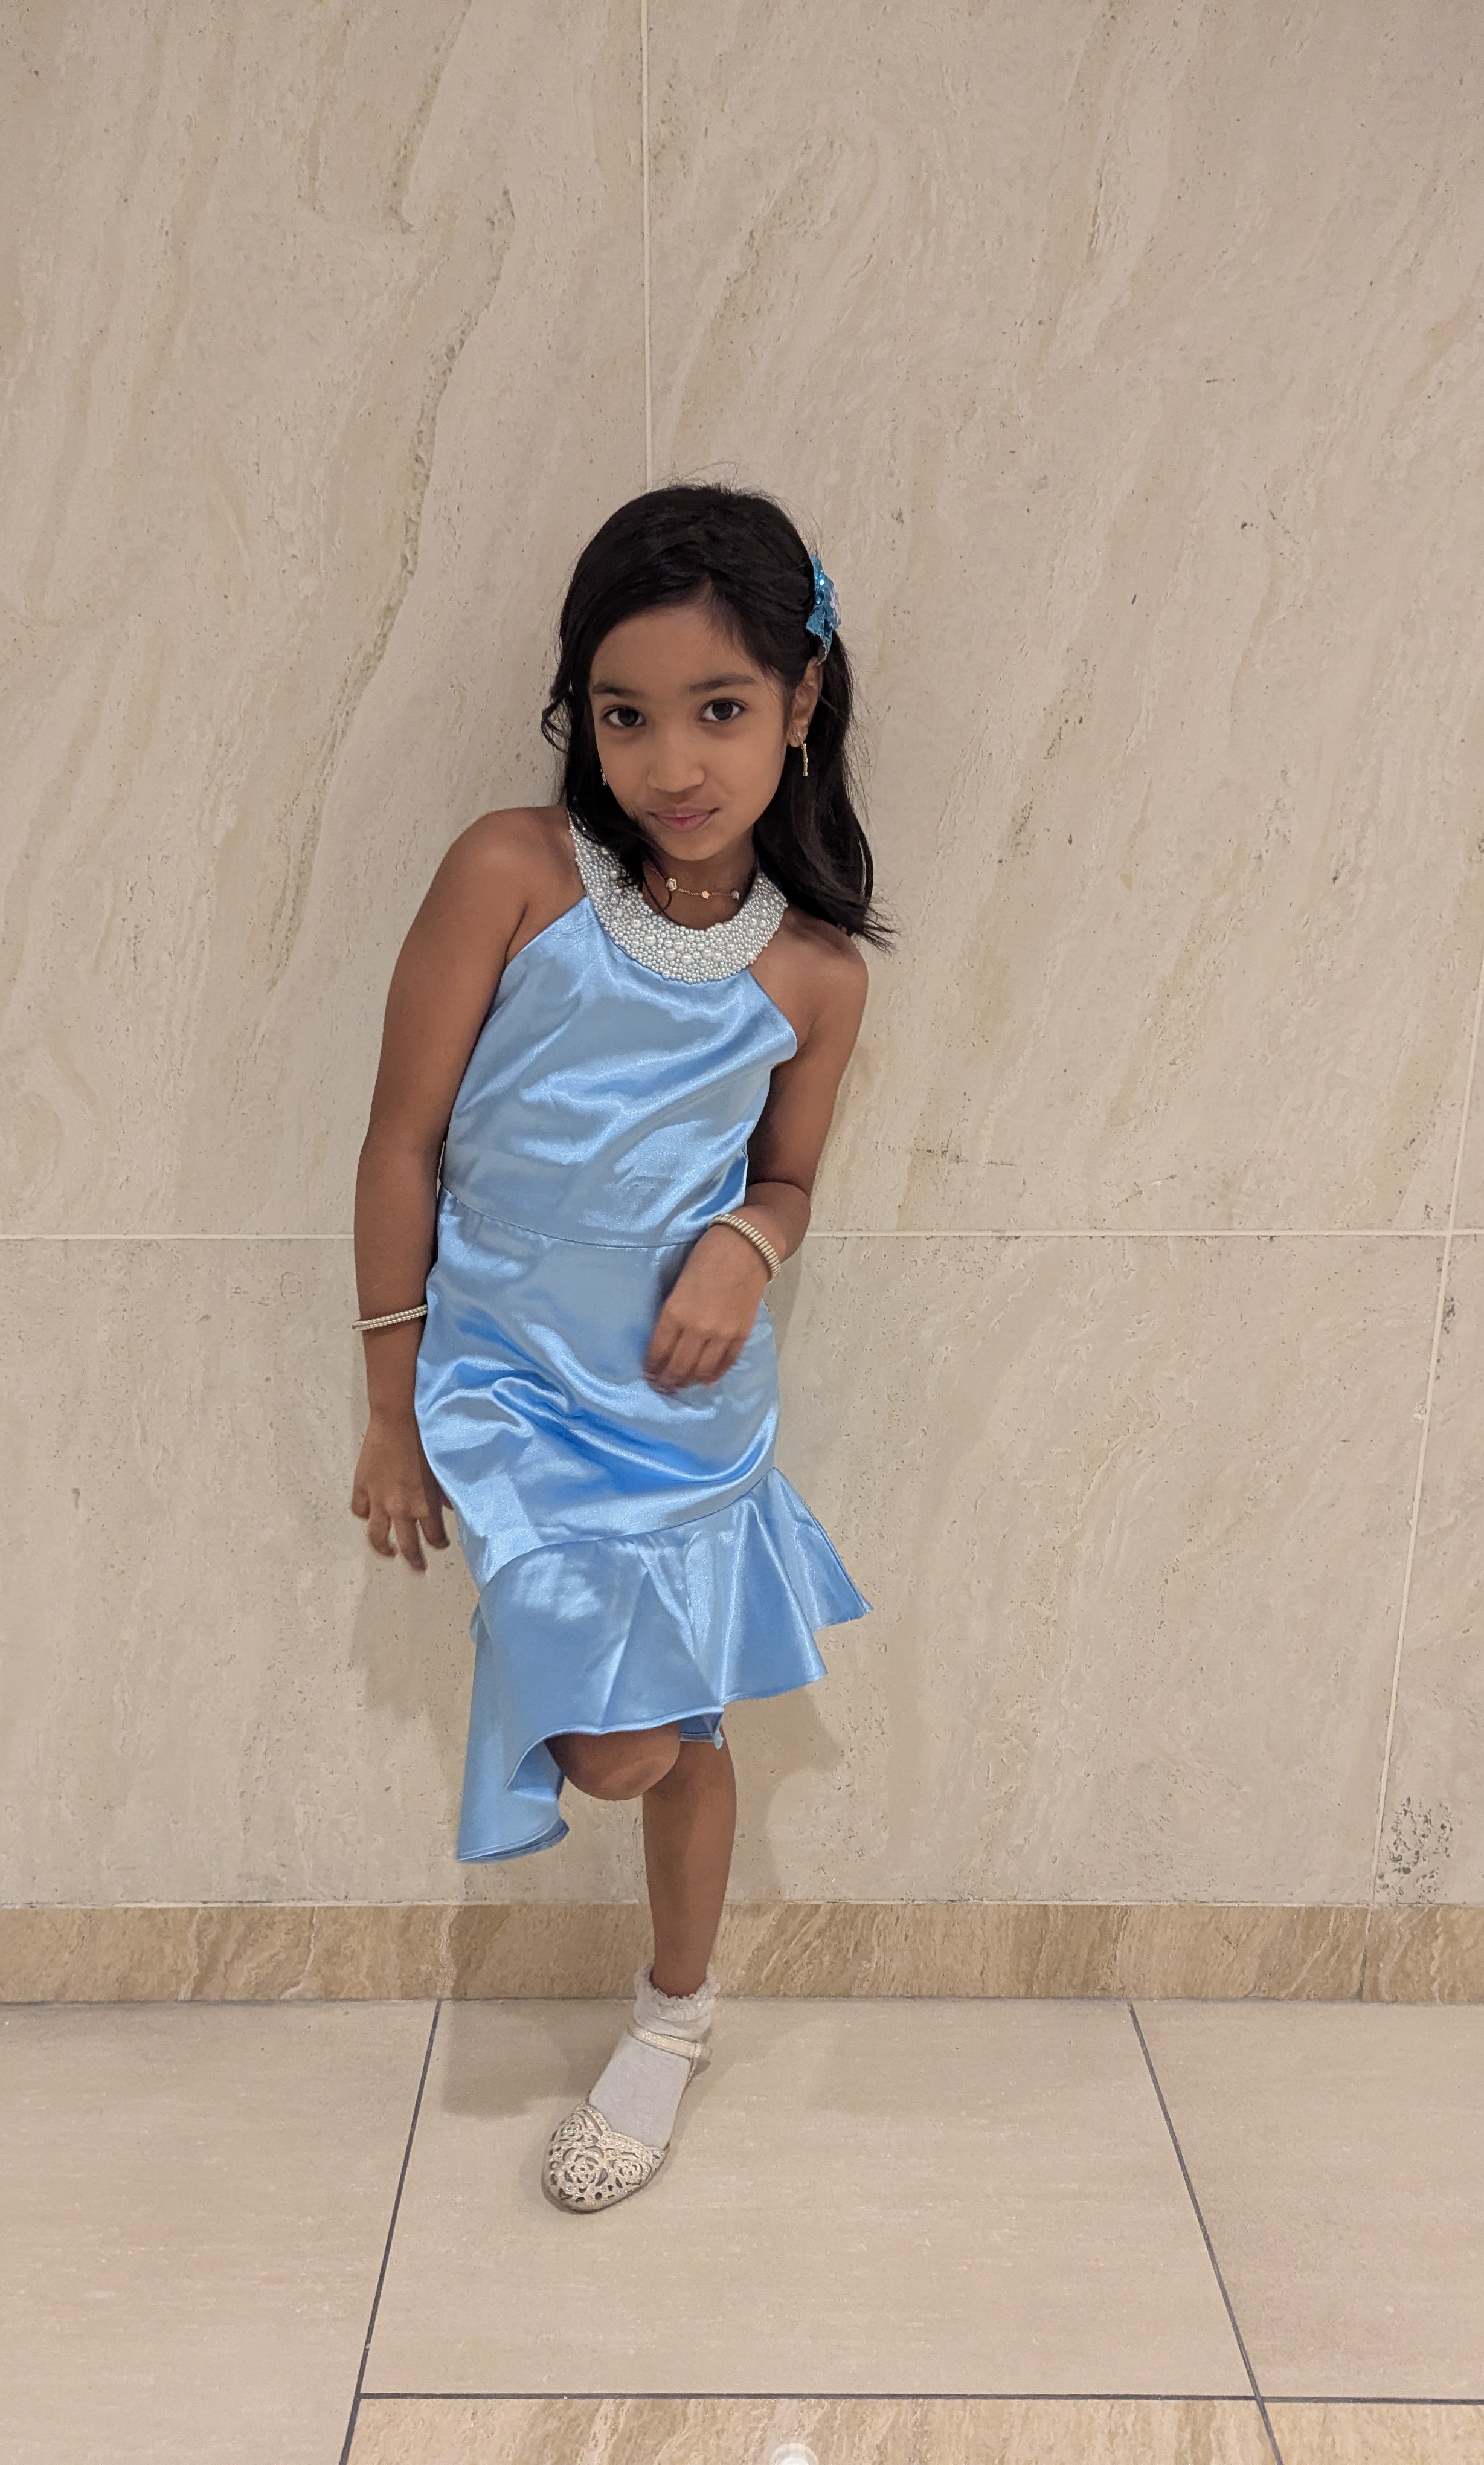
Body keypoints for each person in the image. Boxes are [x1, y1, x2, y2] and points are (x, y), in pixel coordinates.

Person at [349, 482, 881, 2212]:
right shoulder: (515, 874)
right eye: (626, 714)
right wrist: (390, 1408)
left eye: (720, 709)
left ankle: (674, 2017)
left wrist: (747, 1241)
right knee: (616, 1745)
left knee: (687, 1725)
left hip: (684, 1401)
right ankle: (668, 1991)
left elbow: (790, 1180)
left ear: (800, 701)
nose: (672, 762)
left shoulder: (814, 971)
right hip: (511, 1389)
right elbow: (401, 1144)